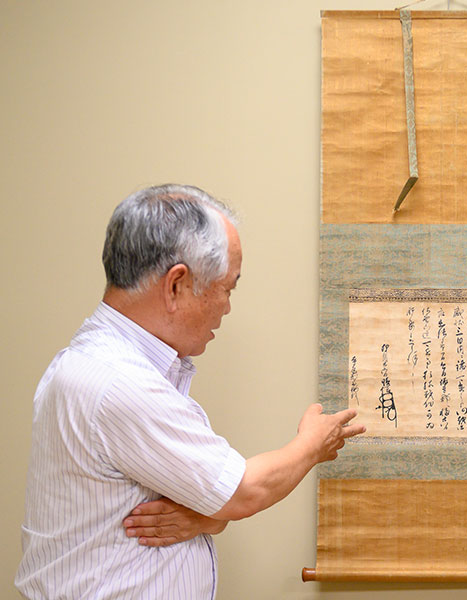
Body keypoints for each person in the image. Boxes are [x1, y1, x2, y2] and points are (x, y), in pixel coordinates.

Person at [15, 185, 365, 599]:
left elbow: (211, 501)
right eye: (227, 289)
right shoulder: (121, 383)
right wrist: (312, 444)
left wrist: (208, 515)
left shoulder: (94, 361)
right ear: (176, 284)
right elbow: (241, 492)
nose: (227, 308)